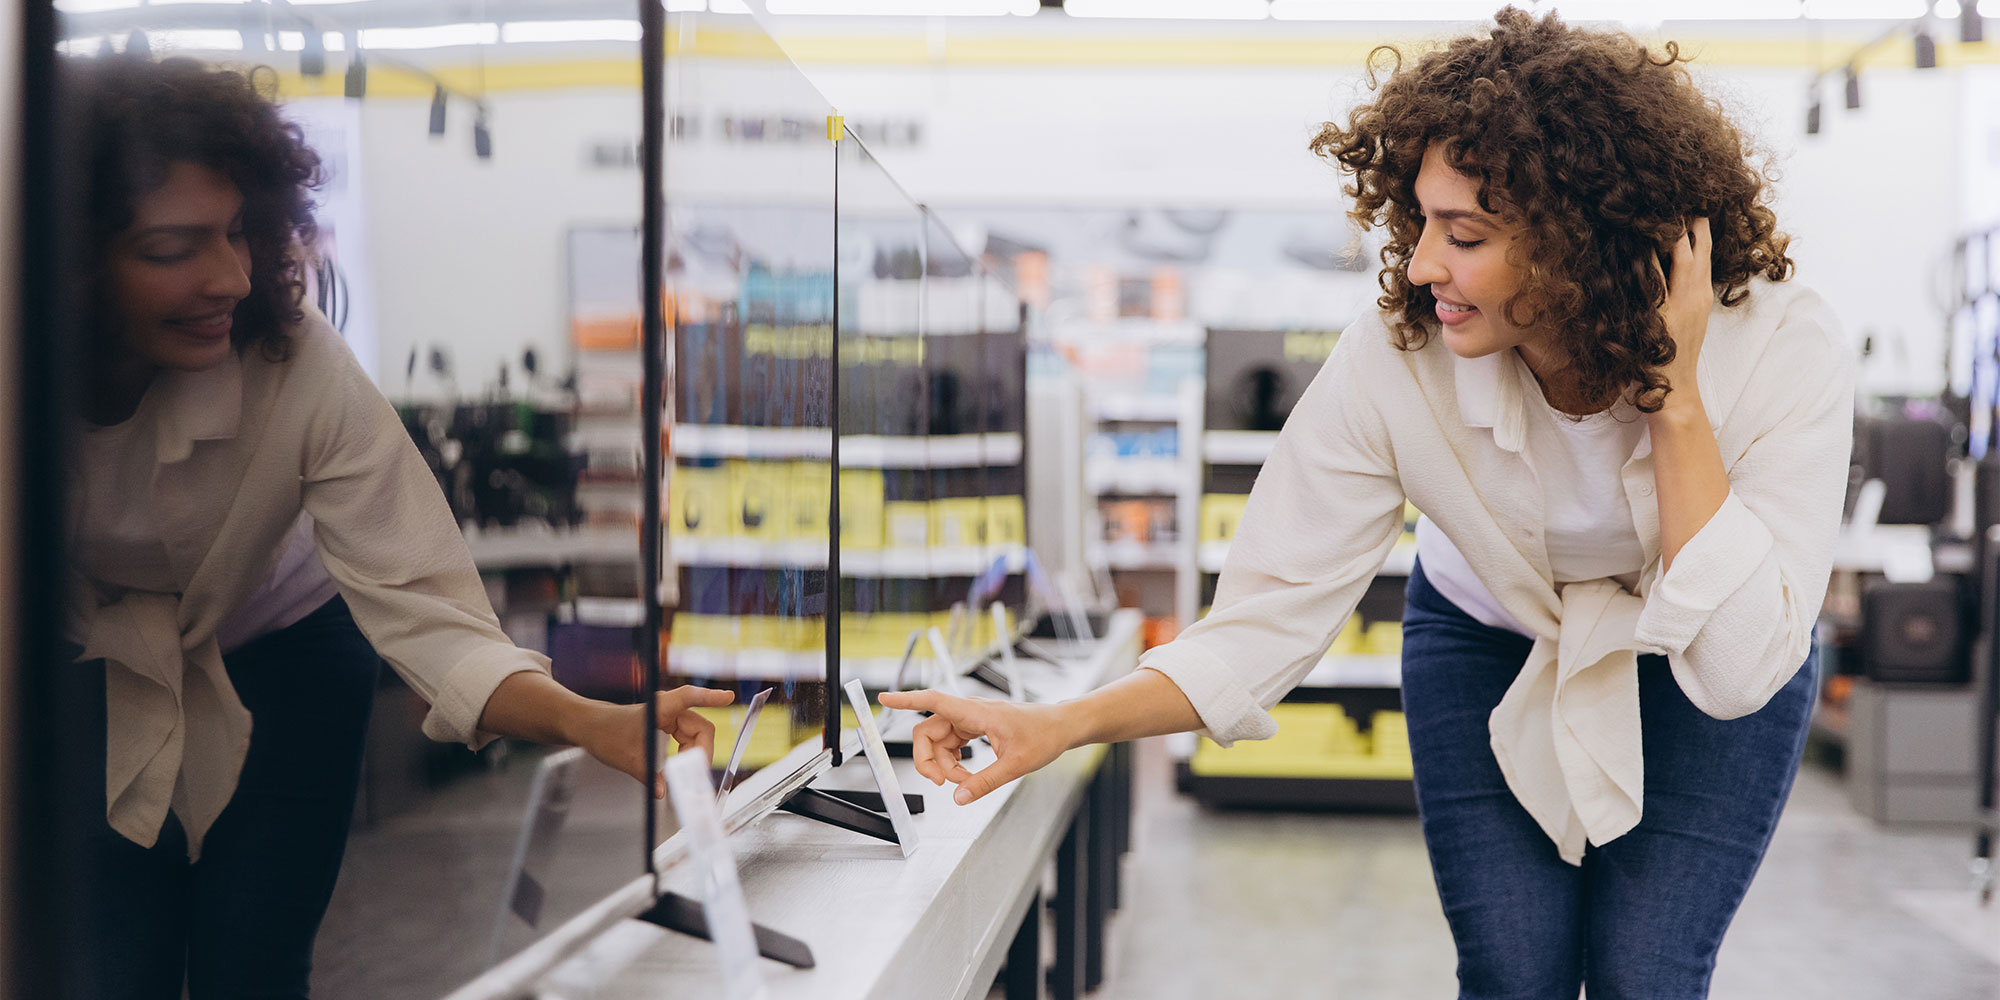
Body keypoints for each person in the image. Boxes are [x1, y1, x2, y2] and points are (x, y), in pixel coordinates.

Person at [883, 10, 1851, 999]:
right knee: (1514, 970)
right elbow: (1261, 620)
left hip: (1708, 646)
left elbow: (1737, 669)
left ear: (1576, 247)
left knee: (1647, 971)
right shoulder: (1400, 359)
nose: (1422, 263)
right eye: (1420, 221)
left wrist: (1672, 394)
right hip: (1485, 637)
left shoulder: (1776, 346)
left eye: (1462, 234)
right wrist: (1056, 724)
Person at [61, 54, 731, 999]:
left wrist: (593, 722)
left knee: (249, 962)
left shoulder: (294, 363)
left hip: (288, 651)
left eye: (241, 232)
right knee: (107, 962)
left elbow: (430, 611)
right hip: (90, 665)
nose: (230, 276)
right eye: (175, 248)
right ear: (71, 262)